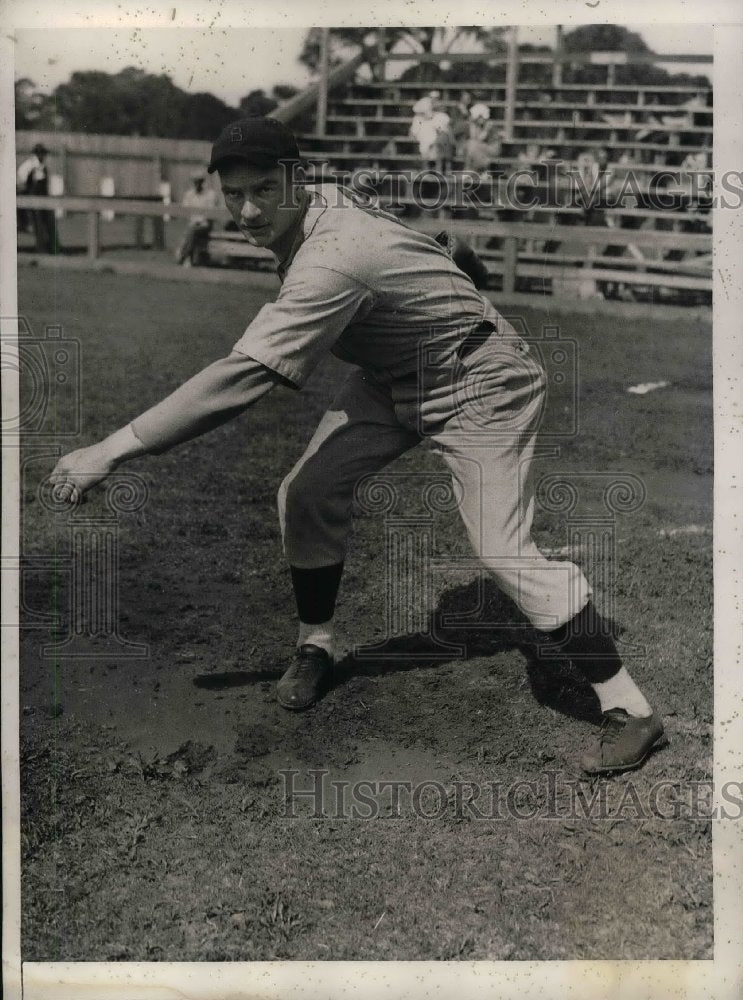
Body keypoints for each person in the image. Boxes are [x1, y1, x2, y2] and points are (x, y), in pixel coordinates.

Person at [50, 117, 667, 775]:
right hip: (394, 372)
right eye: (234, 194)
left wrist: (109, 450)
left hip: (481, 382)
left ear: (296, 178)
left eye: (264, 189)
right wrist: (449, 281)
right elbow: (435, 239)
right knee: (307, 493)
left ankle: (629, 709)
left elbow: (241, 379)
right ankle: (313, 646)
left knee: (501, 551)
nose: (249, 209)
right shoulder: (326, 205)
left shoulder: (331, 259)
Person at [16, 142, 61, 254]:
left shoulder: (44, 167)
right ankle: (42, 250)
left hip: (43, 199)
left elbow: (46, 186)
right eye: (39, 153)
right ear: (35, 154)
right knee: (38, 224)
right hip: (30, 200)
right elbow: (20, 183)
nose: (41, 156)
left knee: (50, 222)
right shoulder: (28, 166)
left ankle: (55, 249)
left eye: (43, 153)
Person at [175, 171, 220, 266]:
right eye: (195, 181)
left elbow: (210, 212)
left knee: (191, 231)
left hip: (205, 224)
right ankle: (188, 258)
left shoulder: (210, 194)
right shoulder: (189, 194)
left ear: (203, 182)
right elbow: (185, 209)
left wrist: (199, 221)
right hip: (193, 224)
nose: (197, 184)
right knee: (191, 232)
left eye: (199, 181)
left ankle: (183, 256)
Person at [409, 95, 454, 174]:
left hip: (435, 142)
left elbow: (440, 130)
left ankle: (440, 170)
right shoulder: (417, 119)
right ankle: (426, 170)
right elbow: (414, 133)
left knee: (441, 142)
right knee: (425, 148)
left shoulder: (436, 117)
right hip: (423, 141)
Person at [462, 103, 503, 176]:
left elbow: (480, 139)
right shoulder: (477, 125)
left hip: (493, 149)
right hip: (481, 149)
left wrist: (483, 129)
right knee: (470, 145)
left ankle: (475, 170)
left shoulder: (489, 124)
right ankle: (478, 170)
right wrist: (473, 125)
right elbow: (473, 137)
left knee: (472, 145)